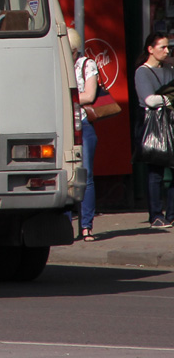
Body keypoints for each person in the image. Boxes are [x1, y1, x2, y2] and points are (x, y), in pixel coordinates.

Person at [135, 32, 174, 228]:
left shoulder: (169, 69)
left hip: (171, 123)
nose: (167, 51)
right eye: (162, 47)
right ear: (150, 49)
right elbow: (149, 100)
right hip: (155, 126)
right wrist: (169, 99)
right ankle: (156, 215)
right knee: (156, 171)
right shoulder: (142, 72)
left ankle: (172, 214)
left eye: (168, 47)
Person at [70, 29, 100, 240]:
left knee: (86, 176)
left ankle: (86, 226)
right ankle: (64, 224)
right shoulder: (57, 63)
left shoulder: (86, 64)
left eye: (70, 51)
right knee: (65, 177)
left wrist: (66, 97)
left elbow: (89, 95)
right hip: (64, 126)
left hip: (82, 124)